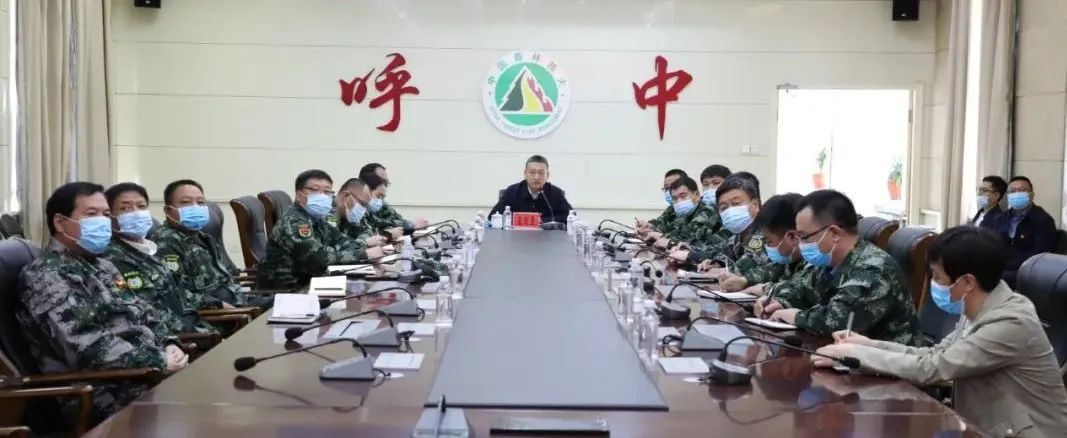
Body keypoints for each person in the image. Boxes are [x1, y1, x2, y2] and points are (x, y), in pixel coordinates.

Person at [814, 226, 1067, 437]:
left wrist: (855, 355)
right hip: (985, 427)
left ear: (966, 282)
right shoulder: (980, 306)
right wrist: (868, 345)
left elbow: (934, 367)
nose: (933, 284)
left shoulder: (1010, 323)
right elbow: (935, 353)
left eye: (936, 277)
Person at [16, 182, 187, 424]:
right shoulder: (46, 275)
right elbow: (87, 347)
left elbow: (143, 312)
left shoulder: (101, 265)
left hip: (141, 373)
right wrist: (158, 360)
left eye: (106, 214)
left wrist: (169, 343)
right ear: (60, 222)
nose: (103, 221)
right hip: (100, 390)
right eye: (91, 214)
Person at [758, 190, 922, 346]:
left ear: (834, 233)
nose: (800, 245)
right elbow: (802, 290)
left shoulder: (874, 269)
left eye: (804, 237)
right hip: (844, 353)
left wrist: (796, 317)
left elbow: (837, 321)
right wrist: (778, 302)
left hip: (885, 361)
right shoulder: (828, 263)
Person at [103, 182, 215, 335]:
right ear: (109, 216)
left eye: (141, 206)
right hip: (169, 337)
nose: (136, 213)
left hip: (192, 325)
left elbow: (179, 296)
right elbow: (141, 312)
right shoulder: (111, 258)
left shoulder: (151, 250)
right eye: (125, 208)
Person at [257, 170, 383, 289]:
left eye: (327, 191)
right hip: (288, 291)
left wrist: (360, 250)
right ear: (299, 195)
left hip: (313, 283)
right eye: (315, 190)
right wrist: (363, 254)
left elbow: (342, 241)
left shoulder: (317, 219)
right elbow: (318, 259)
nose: (323, 196)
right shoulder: (294, 221)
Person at [153, 180, 251, 309]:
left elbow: (225, 280)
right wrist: (219, 305)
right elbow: (174, 294)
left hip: (239, 301)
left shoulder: (204, 237)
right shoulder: (166, 242)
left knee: (276, 303)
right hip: (218, 314)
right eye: (185, 202)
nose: (195, 207)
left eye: (200, 203)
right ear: (168, 210)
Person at [724, 193, 811, 296]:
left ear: (792, 237)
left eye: (769, 242)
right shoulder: (790, 256)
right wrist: (744, 280)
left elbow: (802, 290)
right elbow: (772, 270)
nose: (767, 247)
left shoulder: (815, 259)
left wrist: (766, 289)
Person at [983, 176, 1057, 288]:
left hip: (1025, 271)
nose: (1017, 194)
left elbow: (1040, 255)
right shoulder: (1000, 218)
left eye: (1023, 190)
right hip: (1000, 268)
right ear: (1008, 196)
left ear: (1032, 195)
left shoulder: (1043, 220)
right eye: (1013, 191)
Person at [681, 171, 761, 265]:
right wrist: (716, 263)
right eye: (724, 208)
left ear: (755, 204)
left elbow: (744, 267)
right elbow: (720, 255)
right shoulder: (736, 237)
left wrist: (723, 269)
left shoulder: (766, 233)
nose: (730, 211)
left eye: (736, 203)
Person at [636, 176, 723, 253]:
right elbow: (672, 231)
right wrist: (650, 229)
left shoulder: (707, 211)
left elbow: (689, 239)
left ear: (697, 194)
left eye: (683, 196)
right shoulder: (685, 213)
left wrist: (660, 236)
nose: (679, 201)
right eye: (675, 198)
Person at [490, 155, 573, 224]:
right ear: (525, 174)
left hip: (546, 237)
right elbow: (493, 216)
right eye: (532, 172)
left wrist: (541, 221)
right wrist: (524, 221)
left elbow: (572, 217)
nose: (536, 177)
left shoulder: (555, 193)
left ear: (547, 175)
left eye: (541, 173)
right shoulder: (512, 191)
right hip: (517, 236)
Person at [358, 162, 429, 232]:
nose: (384, 188)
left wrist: (411, 226)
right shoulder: (355, 207)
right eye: (381, 182)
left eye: (386, 183)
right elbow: (376, 227)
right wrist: (411, 225)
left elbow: (397, 220)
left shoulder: (381, 204)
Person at [335, 177, 388, 247]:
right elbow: (335, 248)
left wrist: (376, 240)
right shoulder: (328, 214)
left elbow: (367, 232)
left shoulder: (348, 214)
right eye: (362, 204)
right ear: (346, 195)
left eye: (366, 205)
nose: (364, 209)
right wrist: (365, 243)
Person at [636, 169, 688, 238]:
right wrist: (647, 225)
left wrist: (657, 234)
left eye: (673, 187)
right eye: (666, 188)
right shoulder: (672, 208)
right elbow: (660, 222)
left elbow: (685, 237)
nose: (670, 191)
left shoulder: (691, 209)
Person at [363, 172, 405, 240]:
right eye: (378, 196)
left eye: (382, 197)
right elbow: (364, 237)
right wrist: (387, 234)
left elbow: (399, 221)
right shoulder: (357, 211)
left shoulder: (381, 204)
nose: (380, 200)